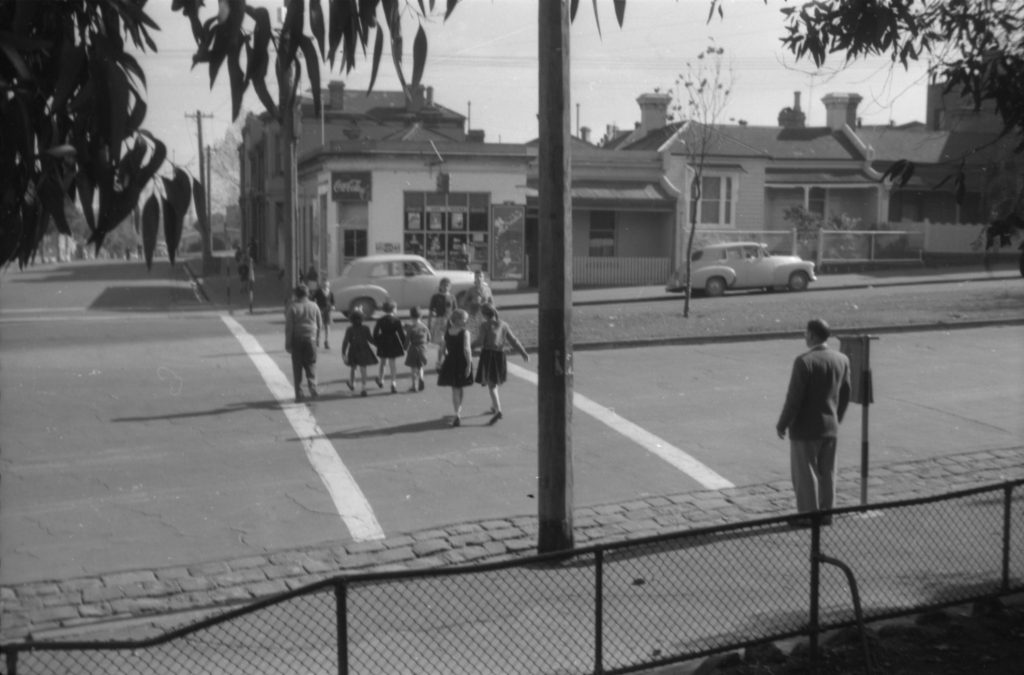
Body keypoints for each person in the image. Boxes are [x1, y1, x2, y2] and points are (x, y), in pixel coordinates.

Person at [776, 318, 852, 523]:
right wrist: (837, 417)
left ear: (811, 335)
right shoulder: (842, 359)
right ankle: (827, 513)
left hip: (805, 428)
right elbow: (845, 394)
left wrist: (783, 423)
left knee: (805, 474)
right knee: (828, 472)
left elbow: (794, 399)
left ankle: (808, 516)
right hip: (830, 426)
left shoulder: (804, 361)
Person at [472, 304, 529, 424]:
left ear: (484, 314)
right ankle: (494, 406)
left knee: (491, 385)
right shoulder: (503, 324)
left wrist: (469, 345)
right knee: (495, 381)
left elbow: (480, 341)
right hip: (500, 355)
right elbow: (513, 340)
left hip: (488, 354)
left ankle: (498, 410)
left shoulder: (484, 325)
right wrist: (523, 352)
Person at [284, 283, 322, 402]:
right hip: (311, 338)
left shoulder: (293, 307)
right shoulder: (314, 306)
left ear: (296, 294)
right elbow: (319, 325)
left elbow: (289, 327)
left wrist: (288, 344)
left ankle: (299, 394)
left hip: (297, 339)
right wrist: (317, 340)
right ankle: (313, 387)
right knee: (311, 365)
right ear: (307, 294)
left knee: (297, 368)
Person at [436, 309, 474, 427]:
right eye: (465, 319)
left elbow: (442, 348)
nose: (466, 321)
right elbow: (466, 349)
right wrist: (469, 363)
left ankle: (457, 411)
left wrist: (440, 360)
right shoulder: (465, 332)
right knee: (459, 386)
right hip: (462, 361)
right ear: (458, 320)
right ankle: (458, 413)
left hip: (450, 361)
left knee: (455, 388)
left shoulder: (448, 331)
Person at [341, 309, 378, 397]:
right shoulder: (365, 328)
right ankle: (363, 388)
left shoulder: (349, 329)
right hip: (364, 349)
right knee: (363, 369)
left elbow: (345, 341)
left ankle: (352, 383)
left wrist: (343, 353)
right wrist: (379, 344)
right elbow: (370, 339)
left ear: (351, 320)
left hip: (353, 350)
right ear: (362, 319)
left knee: (353, 367)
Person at [372, 300, 407, 393]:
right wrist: (404, 344)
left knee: (383, 362)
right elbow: (401, 334)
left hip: (383, 341)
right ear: (393, 309)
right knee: (392, 363)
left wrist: (377, 342)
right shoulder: (397, 320)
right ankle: (393, 383)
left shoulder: (380, 320)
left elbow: (375, 333)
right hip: (393, 342)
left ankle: (381, 379)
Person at [428, 277, 457, 365]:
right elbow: (431, 311)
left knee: (448, 342)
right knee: (442, 342)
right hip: (439, 321)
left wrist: (456, 323)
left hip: (449, 321)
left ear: (450, 287)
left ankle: (448, 360)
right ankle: (439, 361)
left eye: (447, 285)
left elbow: (455, 310)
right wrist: (429, 323)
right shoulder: (436, 297)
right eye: (443, 285)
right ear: (440, 286)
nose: (445, 287)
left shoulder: (452, 297)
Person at [404, 306, 430, 392]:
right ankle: (421, 377)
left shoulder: (411, 328)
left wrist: (405, 347)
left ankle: (414, 385)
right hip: (423, 349)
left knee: (413, 368)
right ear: (421, 316)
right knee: (420, 366)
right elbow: (429, 338)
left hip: (413, 349)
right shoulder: (424, 327)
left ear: (411, 317)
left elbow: (407, 340)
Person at [312, 281, 335, 349]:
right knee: (319, 325)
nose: (326, 286)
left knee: (327, 326)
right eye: (324, 284)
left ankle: (326, 341)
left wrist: (333, 306)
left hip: (327, 310)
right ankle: (317, 340)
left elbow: (333, 301)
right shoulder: (318, 291)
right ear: (322, 285)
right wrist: (315, 305)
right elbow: (312, 298)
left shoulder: (330, 292)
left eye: (327, 285)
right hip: (320, 310)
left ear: (329, 285)